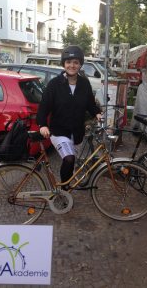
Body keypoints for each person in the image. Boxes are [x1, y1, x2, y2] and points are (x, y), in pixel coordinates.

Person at [36, 45, 102, 189]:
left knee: (70, 163)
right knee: (69, 158)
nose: (72, 65)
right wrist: (42, 125)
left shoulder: (84, 83)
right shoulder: (54, 84)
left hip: (77, 132)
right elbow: (44, 107)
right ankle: (63, 189)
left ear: (80, 64)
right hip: (58, 131)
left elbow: (90, 103)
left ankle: (65, 186)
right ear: (64, 64)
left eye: (76, 62)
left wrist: (97, 113)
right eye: (69, 62)